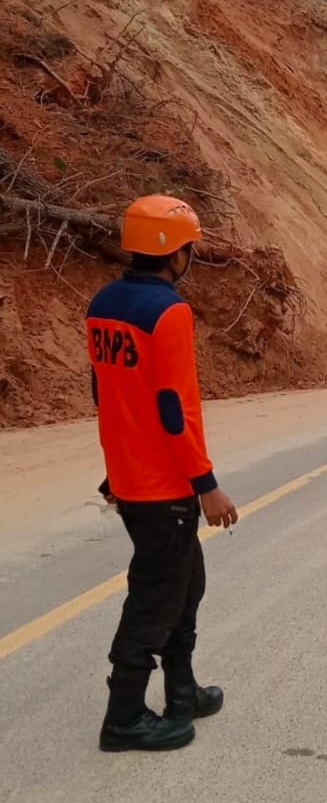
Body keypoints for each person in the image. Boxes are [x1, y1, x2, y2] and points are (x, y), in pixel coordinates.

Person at [88, 194, 238, 752]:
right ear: (173, 251)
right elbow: (174, 410)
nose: (190, 255)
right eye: (188, 246)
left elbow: (105, 393)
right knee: (156, 597)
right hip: (164, 485)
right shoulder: (169, 313)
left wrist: (116, 466)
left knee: (186, 583)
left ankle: (181, 692)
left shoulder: (102, 304)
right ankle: (123, 718)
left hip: (131, 479)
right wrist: (207, 485)